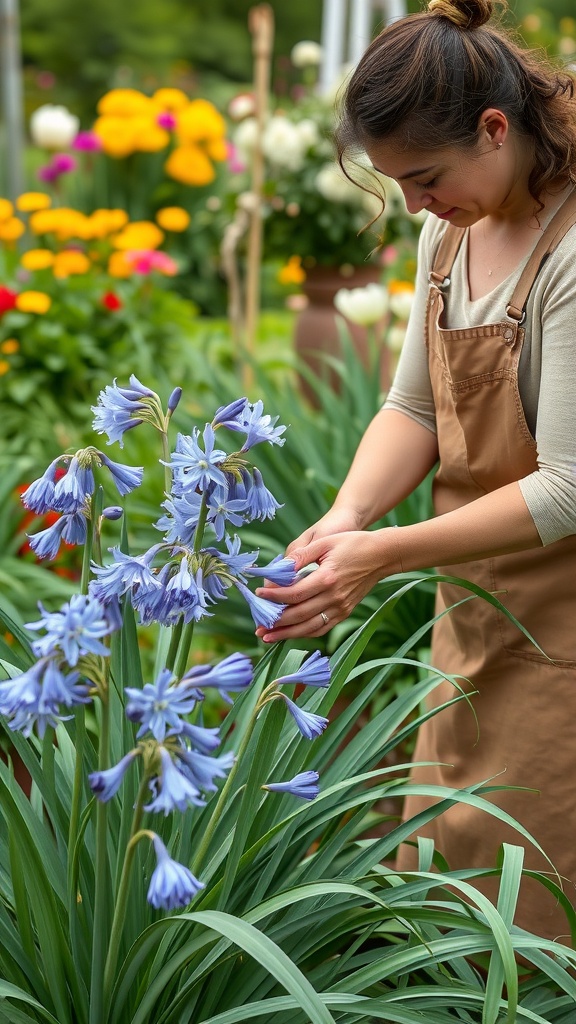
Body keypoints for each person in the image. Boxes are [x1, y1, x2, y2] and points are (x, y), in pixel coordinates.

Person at [255, 0, 576, 941]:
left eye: (425, 177)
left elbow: (567, 485)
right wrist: (348, 517)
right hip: (473, 618)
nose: (413, 205)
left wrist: (380, 553)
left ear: (495, 128)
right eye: (398, 183)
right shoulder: (451, 234)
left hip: (563, 636)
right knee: (449, 892)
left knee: (537, 912)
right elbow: (416, 407)